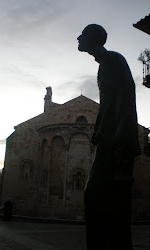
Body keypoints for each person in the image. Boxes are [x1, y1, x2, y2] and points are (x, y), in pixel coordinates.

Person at [77, 24, 140, 250]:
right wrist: (97, 133)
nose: (78, 38)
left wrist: (114, 139)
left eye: (82, 35)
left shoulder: (111, 61)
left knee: (96, 196)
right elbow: (110, 103)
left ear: (92, 39)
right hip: (112, 138)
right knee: (106, 200)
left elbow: (119, 102)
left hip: (116, 141)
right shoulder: (108, 62)